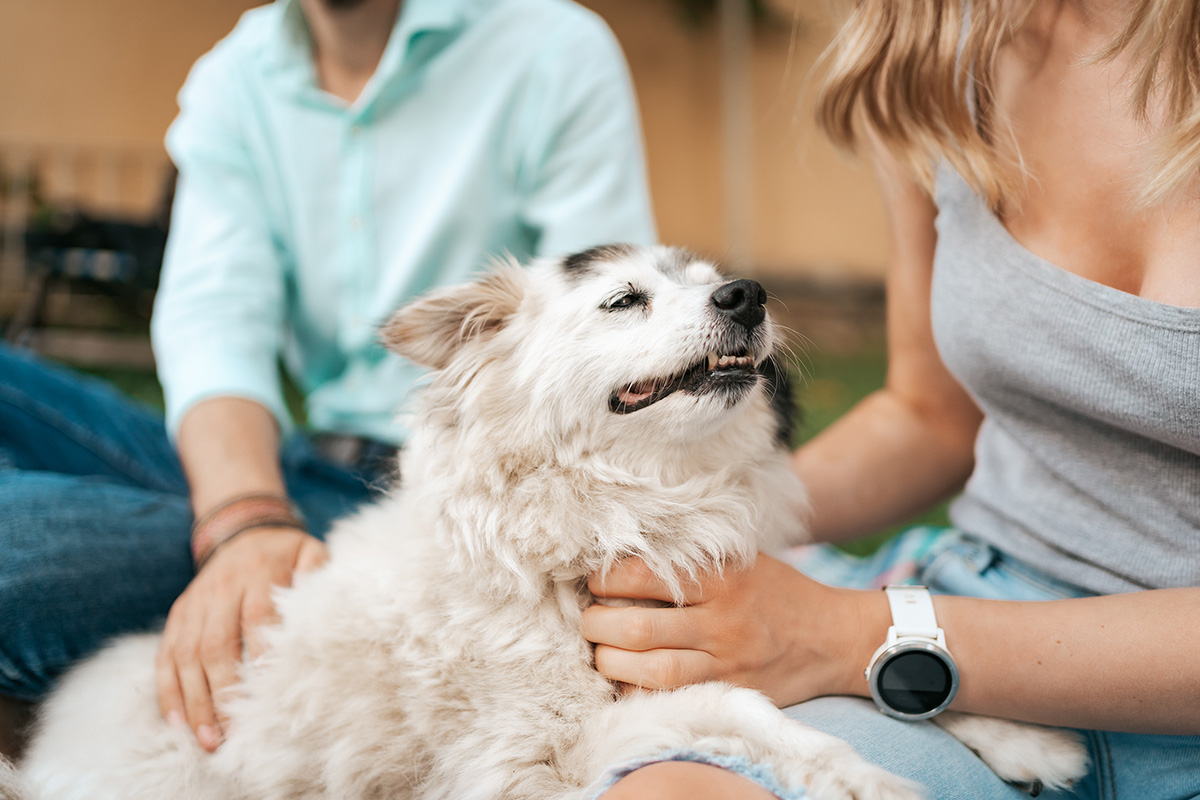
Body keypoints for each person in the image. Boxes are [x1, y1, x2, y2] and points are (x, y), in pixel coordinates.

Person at [0, 0, 655, 758]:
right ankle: (222, 548)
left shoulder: (551, 48)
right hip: (278, 467)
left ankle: (160, 548)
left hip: (437, 511)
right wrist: (245, 518)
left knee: (14, 551)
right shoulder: (234, 80)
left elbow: (609, 349)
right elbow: (214, 324)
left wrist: (247, 529)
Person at [582, 1, 1200, 798]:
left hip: (944, 645)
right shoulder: (939, 43)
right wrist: (664, 544)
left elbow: (841, 635)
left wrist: (847, 634)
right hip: (979, 618)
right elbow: (930, 417)